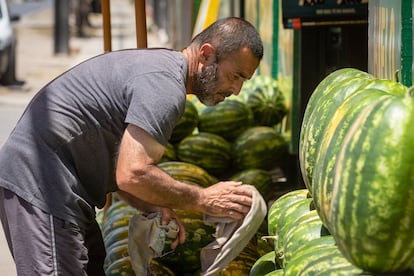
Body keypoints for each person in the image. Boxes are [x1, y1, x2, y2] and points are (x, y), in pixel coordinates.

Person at [0, 17, 263, 275]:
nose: (237, 89)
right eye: (235, 75)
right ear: (206, 54)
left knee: (95, 264)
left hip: (58, 182)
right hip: (42, 183)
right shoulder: (165, 88)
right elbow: (132, 173)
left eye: (244, 81)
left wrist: (151, 203)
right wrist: (204, 199)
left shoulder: (163, 72)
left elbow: (120, 164)